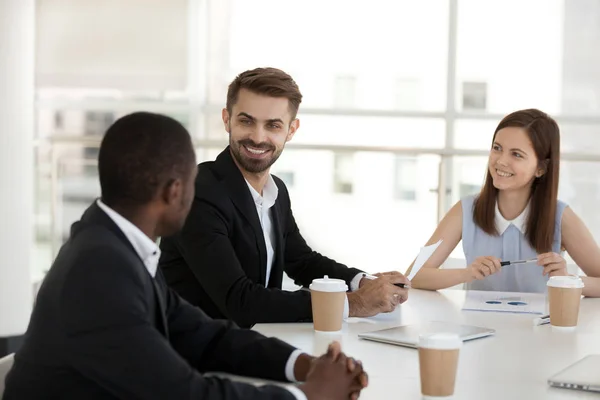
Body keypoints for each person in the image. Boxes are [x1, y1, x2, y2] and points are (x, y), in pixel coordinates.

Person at [4, 112, 368, 400]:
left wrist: (306, 366)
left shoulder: (114, 243)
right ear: (174, 191)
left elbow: (201, 335)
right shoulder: (100, 270)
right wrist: (308, 396)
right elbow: (182, 393)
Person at [159, 67, 410, 328]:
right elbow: (239, 301)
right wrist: (354, 303)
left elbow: (302, 262)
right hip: (197, 354)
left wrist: (364, 282)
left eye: (273, 125)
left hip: (251, 341)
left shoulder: (275, 190)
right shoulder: (199, 192)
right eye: (246, 121)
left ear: (291, 130)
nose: (257, 137)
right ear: (227, 120)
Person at [409, 109, 600, 297]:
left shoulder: (560, 216)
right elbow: (414, 275)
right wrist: (466, 273)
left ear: (541, 168)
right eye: (497, 148)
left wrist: (567, 280)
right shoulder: (466, 210)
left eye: (516, 154)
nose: (501, 161)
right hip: (479, 325)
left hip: (538, 328)